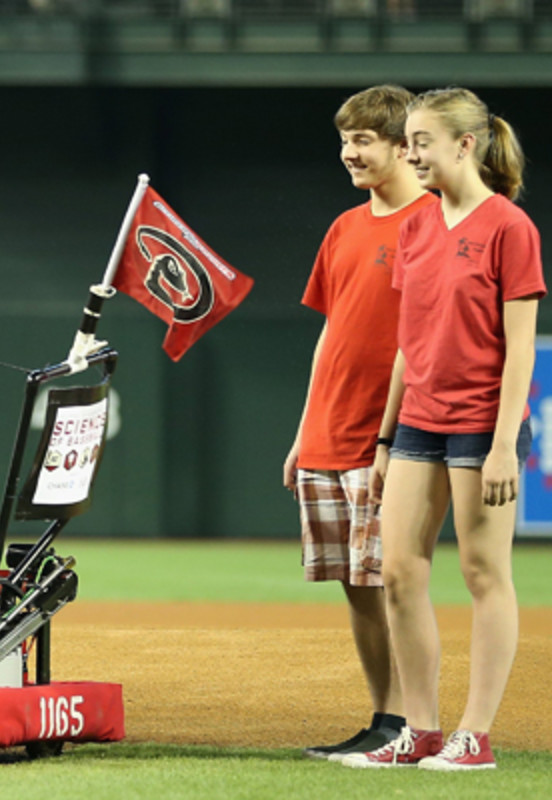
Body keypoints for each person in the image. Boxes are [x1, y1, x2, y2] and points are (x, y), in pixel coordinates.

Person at [343, 87, 544, 770]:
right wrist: (383, 439)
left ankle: (474, 735)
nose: (412, 153)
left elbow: (522, 347)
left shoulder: (510, 227)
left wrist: (502, 446)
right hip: (418, 425)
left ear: (466, 144)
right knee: (398, 571)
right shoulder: (417, 227)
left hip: (481, 426)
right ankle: (421, 731)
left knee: (485, 574)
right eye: (409, 142)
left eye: (422, 142)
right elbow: (408, 342)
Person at [283, 85, 436, 762]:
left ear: (406, 146)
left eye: (363, 140)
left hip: (394, 434)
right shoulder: (344, 227)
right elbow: (330, 333)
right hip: (330, 430)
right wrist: (302, 430)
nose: (349, 152)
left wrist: (392, 435)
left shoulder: (435, 220)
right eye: (345, 140)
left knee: (394, 578)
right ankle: (386, 717)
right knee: (355, 584)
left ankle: (416, 722)